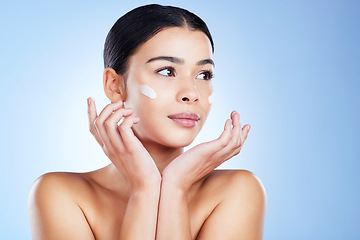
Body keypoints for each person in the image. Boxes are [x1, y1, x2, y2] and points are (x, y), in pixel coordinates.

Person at [28, 4, 266, 240]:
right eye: (166, 71)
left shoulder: (238, 191)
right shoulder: (60, 194)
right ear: (115, 85)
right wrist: (144, 188)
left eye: (204, 75)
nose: (191, 93)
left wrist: (175, 187)